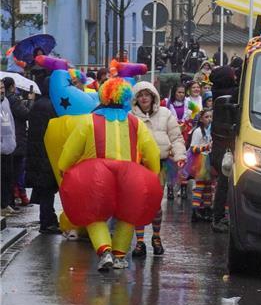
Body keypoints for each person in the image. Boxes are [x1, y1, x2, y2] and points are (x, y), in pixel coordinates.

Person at [58, 79, 161, 270]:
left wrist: (63, 167)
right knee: (127, 215)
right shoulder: (135, 122)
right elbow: (151, 151)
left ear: (103, 96)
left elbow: (72, 149)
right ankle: (119, 256)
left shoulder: (89, 120)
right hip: (130, 174)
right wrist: (152, 173)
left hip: (96, 174)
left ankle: (104, 250)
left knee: (94, 215)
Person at [130, 82, 187, 256]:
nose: (144, 98)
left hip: (161, 165)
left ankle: (156, 237)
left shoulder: (165, 113)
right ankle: (140, 242)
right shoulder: (129, 117)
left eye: (147, 94)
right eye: (140, 95)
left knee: (155, 204)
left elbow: (176, 138)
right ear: (136, 99)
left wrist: (180, 156)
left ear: (153, 96)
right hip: (138, 166)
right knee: (138, 203)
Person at [26, 69, 61, 233]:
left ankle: (48, 219)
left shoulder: (39, 104)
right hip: (45, 153)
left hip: (37, 152)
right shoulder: (50, 106)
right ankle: (47, 223)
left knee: (46, 189)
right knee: (47, 189)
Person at [209, 65, 239, 232]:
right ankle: (219, 217)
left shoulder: (216, 93)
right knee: (224, 184)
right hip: (226, 147)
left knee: (223, 182)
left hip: (219, 147)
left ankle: (220, 216)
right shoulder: (228, 96)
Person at [2, 77, 32, 207]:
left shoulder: (6, 101)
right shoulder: (13, 99)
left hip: (10, 140)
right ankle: (13, 199)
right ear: (12, 86)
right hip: (16, 139)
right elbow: (26, 114)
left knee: (10, 172)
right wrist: (30, 101)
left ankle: (11, 199)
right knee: (16, 171)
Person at [188, 109, 215, 222]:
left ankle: (206, 209)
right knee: (200, 185)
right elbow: (193, 148)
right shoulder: (198, 131)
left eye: (210, 117)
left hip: (210, 159)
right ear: (201, 119)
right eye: (206, 117)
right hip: (201, 160)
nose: (209, 119)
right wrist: (205, 147)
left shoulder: (212, 131)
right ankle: (195, 210)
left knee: (209, 186)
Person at [0, 81, 17, 216]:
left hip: (8, 145)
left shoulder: (5, 101)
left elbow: (10, 120)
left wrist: (13, 138)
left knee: (7, 176)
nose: (2, 90)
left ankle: (5, 204)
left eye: (2, 87)